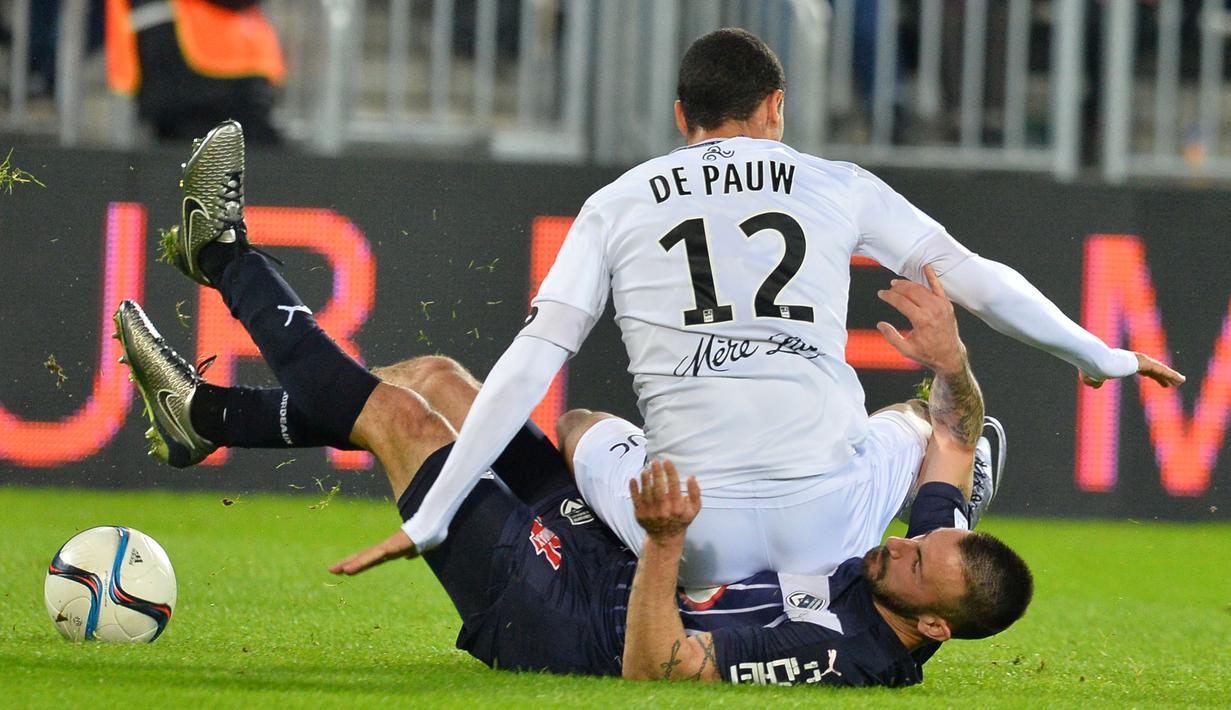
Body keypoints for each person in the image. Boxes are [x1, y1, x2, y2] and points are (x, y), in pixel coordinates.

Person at [115, 162, 1031, 683]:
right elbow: (951, 434)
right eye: (925, 538)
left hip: (562, 623)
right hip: (614, 554)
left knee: (398, 416)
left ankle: (223, 252)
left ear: (934, 630)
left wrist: (669, 541)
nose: (901, 544)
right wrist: (950, 361)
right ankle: (204, 414)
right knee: (440, 378)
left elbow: (656, 670)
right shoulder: (921, 555)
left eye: (916, 561)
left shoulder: (840, 653)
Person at [332, 28, 1181, 585]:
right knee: (931, 419)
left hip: (694, 541)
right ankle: (944, 500)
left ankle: (597, 564)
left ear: (680, 117)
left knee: (583, 424)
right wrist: (1096, 356)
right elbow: (976, 279)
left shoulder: (620, 200)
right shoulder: (835, 185)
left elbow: (533, 361)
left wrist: (438, 508)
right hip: (831, 527)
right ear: (776, 109)